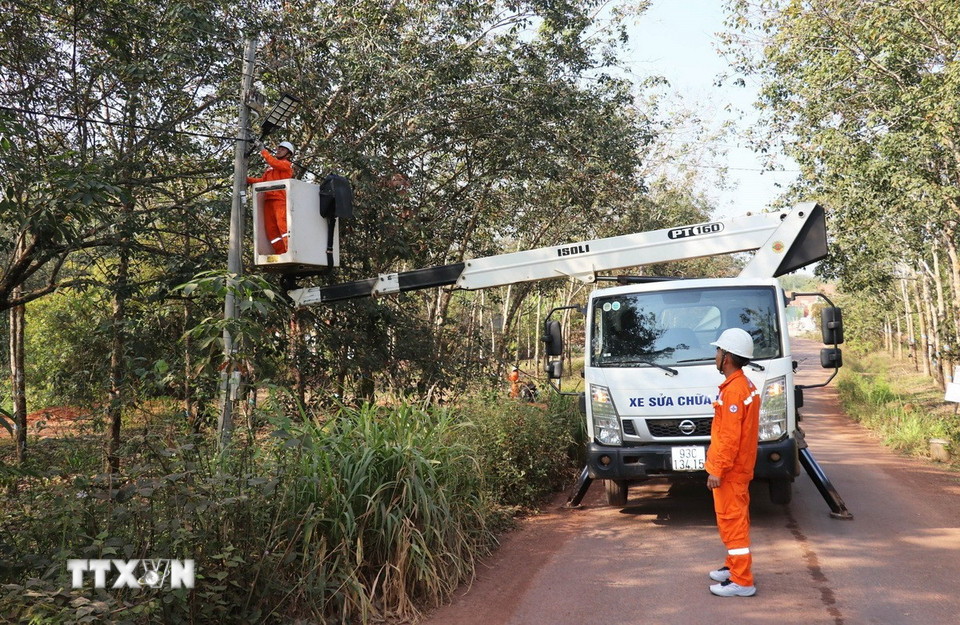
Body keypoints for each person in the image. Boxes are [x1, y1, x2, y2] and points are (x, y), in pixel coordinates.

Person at [705, 328, 760, 597]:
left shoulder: (734, 391)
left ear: (726, 357)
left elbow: (728, 437)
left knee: (732, 521)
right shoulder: (742, 385)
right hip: (738, 468)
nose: (715, 355)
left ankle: (742, 581)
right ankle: (733, 567)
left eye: (718, 350)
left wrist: (716, 469)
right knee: (734, 520)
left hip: (731, 471)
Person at [247, 141, 296, 254]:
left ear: (288, 154)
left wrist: (263, 150)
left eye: (282, 149)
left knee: (283, 226)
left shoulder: (286, 165)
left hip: (280, 201)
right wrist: (247, 179)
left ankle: (288, 251)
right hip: (268, 200)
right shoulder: (270, 169)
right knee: (271, 230)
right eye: (279, 149)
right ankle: (280, 252)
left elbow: (273, 162)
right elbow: (263, 181)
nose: (279, 151)